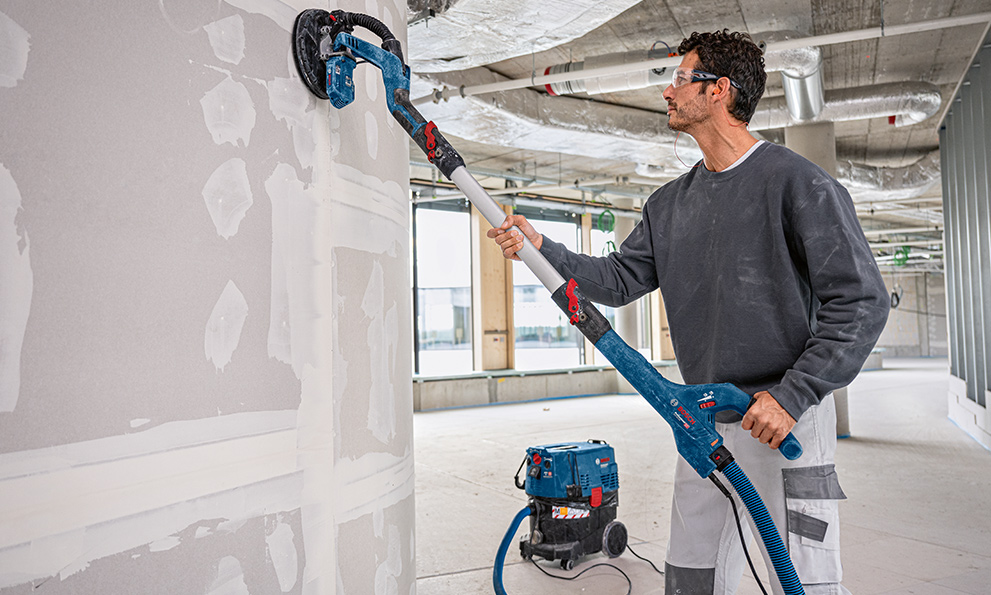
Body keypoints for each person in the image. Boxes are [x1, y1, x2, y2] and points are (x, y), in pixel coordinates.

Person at [488, 30, 889, 595]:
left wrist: (793, 396)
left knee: (801, 577)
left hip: (782, 417)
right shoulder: (669, 204)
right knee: (692, 572)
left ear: (719, 90)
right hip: (701, 418)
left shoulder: (798, 183)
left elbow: (862, 302)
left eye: (680, 79)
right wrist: (540, 247)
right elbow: (618, 280)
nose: (668, 92)